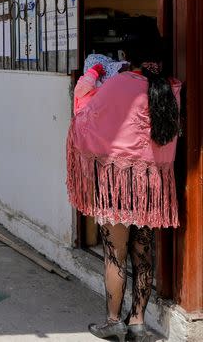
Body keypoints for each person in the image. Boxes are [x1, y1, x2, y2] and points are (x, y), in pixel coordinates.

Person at [66, 21, 181, 342]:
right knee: (143, 253)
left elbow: (84, 117)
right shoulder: (172, 88)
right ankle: (139, 323)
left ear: (128, 54)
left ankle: (114, 322)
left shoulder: (118, 85)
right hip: (151, 188)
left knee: (115, 252)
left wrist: (92, 75)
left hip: (117, 184)